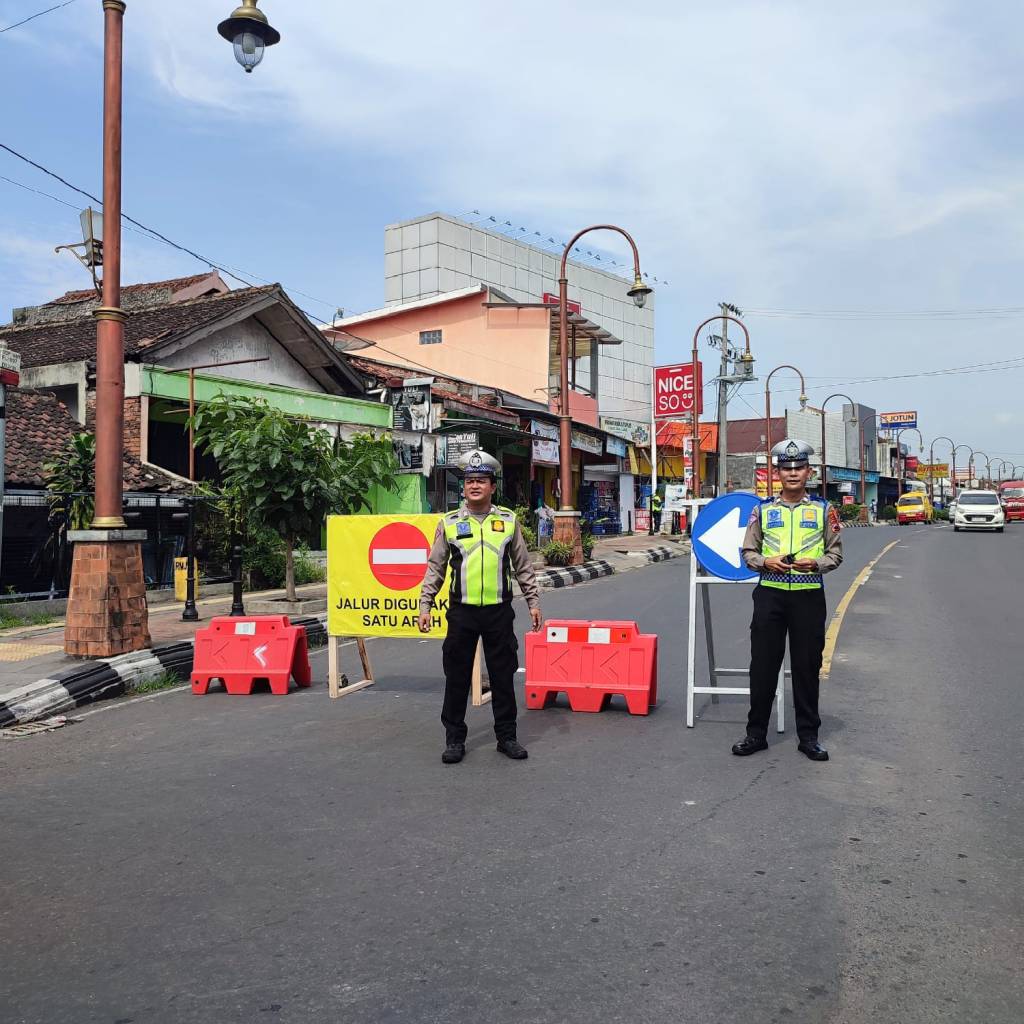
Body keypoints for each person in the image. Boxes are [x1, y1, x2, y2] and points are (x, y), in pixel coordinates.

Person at [418, 449, 543, 765]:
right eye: (470, 480)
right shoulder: (448, 523)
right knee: (457, 677)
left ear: (492, 486)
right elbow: (435, 567)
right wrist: (425, 605)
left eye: (481, 480)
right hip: (462, 612)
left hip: (499, 611)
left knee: (503, 675)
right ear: (464, 487)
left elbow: (523, 566)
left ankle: (507, 737)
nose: (475, 485)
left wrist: (533, 602)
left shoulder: (508, 521)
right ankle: (454, 740)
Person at [732, 439, 843, 762]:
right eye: (786, 468)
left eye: (798, 468)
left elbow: (835, 554)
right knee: (763, 666)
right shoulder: (762, 510)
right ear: (777, 473)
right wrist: (767, 562)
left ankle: (809, 737)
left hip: (808, 595)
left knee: (807, 667)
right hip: (770, 595)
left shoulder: (824, 510)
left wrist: (815, 564)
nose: (792, 473)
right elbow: (747, 553)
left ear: (809, 472)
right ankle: (756, 734)